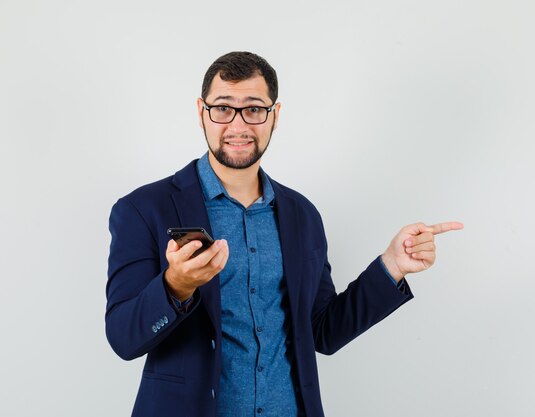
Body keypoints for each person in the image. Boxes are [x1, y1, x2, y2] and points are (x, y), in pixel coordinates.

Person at [106, 51, 463, 417]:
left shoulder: (302, 215)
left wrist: (391, 266)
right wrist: (175, 286)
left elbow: (322, 331)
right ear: (202, 112)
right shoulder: (143, 209)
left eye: (255, 109)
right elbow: (122, 337)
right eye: (223, 108)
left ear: (275, 116)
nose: (239, 125)